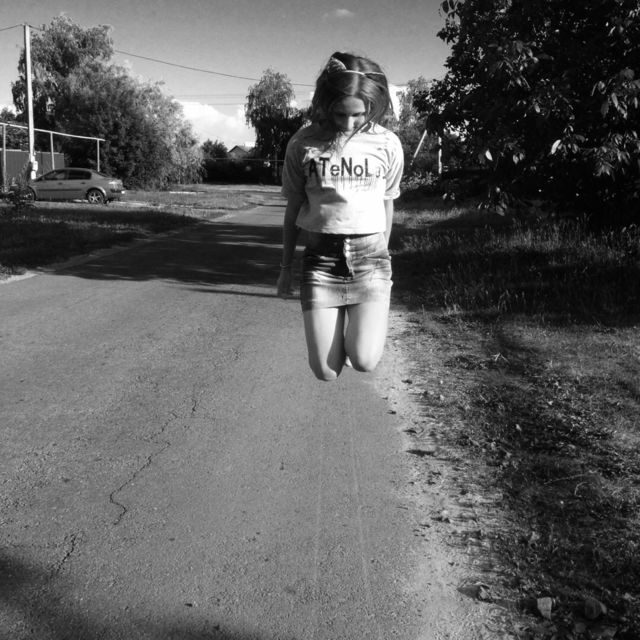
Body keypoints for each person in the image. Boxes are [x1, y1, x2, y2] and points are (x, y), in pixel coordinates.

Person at [277, 51, 404, 381]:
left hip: (370, 260)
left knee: (364, 361)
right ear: (325, 104)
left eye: (358, 115)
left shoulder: (387, 143)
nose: (348, 124)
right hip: (321, 262)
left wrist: (383, 251)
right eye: (340, 114)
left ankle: (358, 333)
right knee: (325, 371)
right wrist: (285, 268)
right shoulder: (303, 143)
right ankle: (344, 335)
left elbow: (387, 202)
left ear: (373, 104)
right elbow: (293, 208)